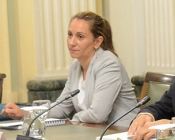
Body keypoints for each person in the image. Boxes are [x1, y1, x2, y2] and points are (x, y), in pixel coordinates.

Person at [2, 12, 138, 127]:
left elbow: (98, 115)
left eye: (80, 37)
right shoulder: (76, 66)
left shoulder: (108, 64)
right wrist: (24, 113)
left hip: (120, 134)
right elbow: (61, 107)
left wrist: (71, 121)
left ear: (97, 42)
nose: (71, 42)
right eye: (69, 34)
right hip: (91, 132)